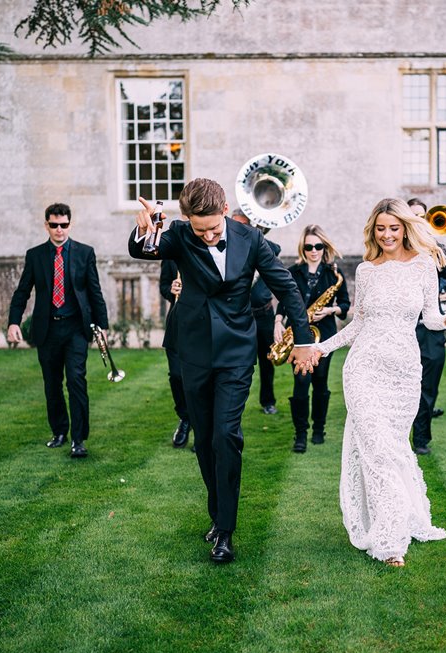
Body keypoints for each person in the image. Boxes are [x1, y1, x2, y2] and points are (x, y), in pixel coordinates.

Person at [128, 178, 314, 564]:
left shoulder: (251, 240)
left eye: (214, 227)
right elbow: (142, 250)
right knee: (206, 439)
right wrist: (144, 229)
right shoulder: (179, 234)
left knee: (227, 435)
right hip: (192, 352)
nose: (210, 236)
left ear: (226, 209)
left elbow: (286, 287)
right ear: (186, 220)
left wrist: (303, 339)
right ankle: (217, 513)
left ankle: (225, 531)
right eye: (201, 230)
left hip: (234, 354)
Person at [311, 198, 446, 567]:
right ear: (373, 230)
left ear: (405, 228)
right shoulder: (366, 271)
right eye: (380, 228)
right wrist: (322, 348)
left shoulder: (423, 266)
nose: (386, 235)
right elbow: (359, 325)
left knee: (395, 449)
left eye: (393, 228)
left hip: (403, 372)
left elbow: (431, 318)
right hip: (363, 369)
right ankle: (388, 540)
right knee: (377, 451)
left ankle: (400, 518)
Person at [7, 202, 109, 459]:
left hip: (76, 328)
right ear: (46, 225)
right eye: (54, 225)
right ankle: (59, 432)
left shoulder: (85, 253)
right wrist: (13, 322)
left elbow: (95, 292)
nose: (59, 230)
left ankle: (78, 439)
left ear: (70, 225)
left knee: (76, 380)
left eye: (63, 225)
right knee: (52, 384)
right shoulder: (35, 255)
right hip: (47, 330)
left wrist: (103, 327)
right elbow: (22, 292)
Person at [275, 224, 350, 453]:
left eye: (318, 246)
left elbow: (345, 304)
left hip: (324, 335)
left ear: (324, 246)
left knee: (320, 383)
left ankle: (319, 428)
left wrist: (330, 311)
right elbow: (284, 301)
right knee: (300, 384)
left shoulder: (334, 274)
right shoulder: (293, 272)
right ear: (303, 248)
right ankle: (300, 434)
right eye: (309, 246)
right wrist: (278, 321)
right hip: (298, 336)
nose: (314, 250)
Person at [406, 198, 446, 455]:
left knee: (429, 384)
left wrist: (433, 244)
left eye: (422, 216)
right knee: (403, 384)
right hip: (404, 325)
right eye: (414, 215)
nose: (419, 220)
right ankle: (400, 434)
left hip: (431, 325)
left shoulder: (434, 246)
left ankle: (422, 438)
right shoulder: (398, 247)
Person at [231, 209, 280, 416]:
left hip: (264, 315)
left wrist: (255, 235)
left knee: (267, 361)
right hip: (240, 316)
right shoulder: (229, 249)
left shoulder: (263, 246)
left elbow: (275, 248)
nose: (238, 228)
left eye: (243, 224)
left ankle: (268, 401)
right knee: (238, 363)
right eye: (234, 224)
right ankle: (233, 403)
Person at [159, 253, 191, 449]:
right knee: (176, 376)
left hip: (203, 324)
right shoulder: (172, 253)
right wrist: (171, 289)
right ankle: (185, 419)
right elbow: (163, 286)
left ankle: (201, 425)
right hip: (177, 324)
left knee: (200, 380)